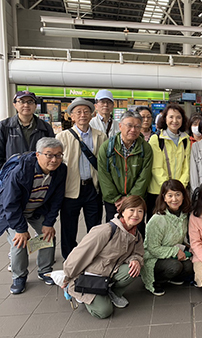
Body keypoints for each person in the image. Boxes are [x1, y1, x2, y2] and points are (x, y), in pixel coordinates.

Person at [0, 138, 67, 294]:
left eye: (58, 155)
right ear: (38, 155)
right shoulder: (21, 171)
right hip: (13, 212)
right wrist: (20, 228)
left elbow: (57, 199)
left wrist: (49, 223)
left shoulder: (61, 170)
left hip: (37, 209)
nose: (54, 160)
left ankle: (44, 270)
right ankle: (19, 276)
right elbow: (10, 203)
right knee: (20, 242)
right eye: (49, 155)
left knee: (48, 236)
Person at [62, 195, 145, 319]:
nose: (135, 214)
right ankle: (76, 290)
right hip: (90, 277)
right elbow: (80, 254)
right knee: (104, 311)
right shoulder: (106, 230)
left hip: (109, 274)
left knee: (133, 269)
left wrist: (135, 260)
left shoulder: (136, 234)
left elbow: (138, 253)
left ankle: (111, 293)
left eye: (140, 211)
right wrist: (67, 276)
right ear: (122, 211)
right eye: (131, 210)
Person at [56, 98, 107, 259]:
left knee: (94, 227)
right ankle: (69, 258)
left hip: (93, 187)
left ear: (92, 115)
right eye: (78, 112)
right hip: (71, 188)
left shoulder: (100, 136)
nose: (83, 115)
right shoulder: (62, 136)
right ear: (72, 116)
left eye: (86, 111)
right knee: (69, 227)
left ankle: (91, 257)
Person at [97, 110, 153, 237]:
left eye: (137, 126)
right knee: (113, 232)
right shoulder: (107, 147)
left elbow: (144, 176)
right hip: (114, 201)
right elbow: (104, 175)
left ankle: (136, 255)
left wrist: (131, 199)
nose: (133, 129)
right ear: (120, 126)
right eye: (130, 125)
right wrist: (116, 199)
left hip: (136, 200)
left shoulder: (145, 148)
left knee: (136, 231)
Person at [142, 180, 193, 296]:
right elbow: (152, 248)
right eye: (170, 195)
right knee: (175, 266)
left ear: (183, 196)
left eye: (177, 195)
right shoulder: (157, 219)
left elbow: (178, 237)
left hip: (171, 253)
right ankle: (156, 281)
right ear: (164, 198)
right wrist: (175, 251)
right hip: (154, 257)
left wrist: (189, 246)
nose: (174, 199)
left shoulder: (183, 215)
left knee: (189, 266)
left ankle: (171, 278)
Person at [147, 104, 190, 221]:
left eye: (178, 117)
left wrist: (179, 189)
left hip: (177, 193)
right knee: (158, 225)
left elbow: (186, 166)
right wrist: (169, 190)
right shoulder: (156, 139)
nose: (174, 121)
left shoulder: (185, 139)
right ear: (165, 119)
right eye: (171, 117)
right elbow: (156, 168)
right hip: (159, 192)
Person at [0, 90, 54, 168]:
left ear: (35, 105)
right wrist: (6, 175)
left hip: (38, 176)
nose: (26, 105)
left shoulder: (45, 128)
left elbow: (51, 153)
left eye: (30, 102)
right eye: (21, 101)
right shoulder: (4, 126)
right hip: (12, 176)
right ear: (14, 104)